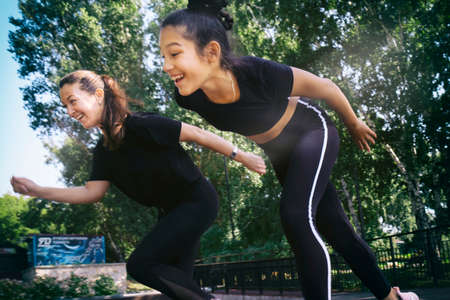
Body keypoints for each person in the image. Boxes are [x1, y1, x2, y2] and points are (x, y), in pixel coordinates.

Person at [158, 1, 419, 300]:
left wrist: (354, 123)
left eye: (175, 54)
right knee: (335, 228)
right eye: (164, 56)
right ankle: (391, 297)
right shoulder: (189, 97)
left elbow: (327, 87)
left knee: (295, 216)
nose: (167, 66)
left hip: (311, 130)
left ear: (212, 52)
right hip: (280, 153)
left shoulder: (257, 73)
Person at [10, 70, 266, 300]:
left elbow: (198, 134)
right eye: (64, 105)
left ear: (98, 95)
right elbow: (92, 193)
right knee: (180, 288)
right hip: (170, 214)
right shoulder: (104, 151)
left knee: (141, 265)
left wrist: (242, 156)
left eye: (72, 101)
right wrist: (37, 190)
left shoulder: (143, 125)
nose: (68, 111)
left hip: (196, 201)